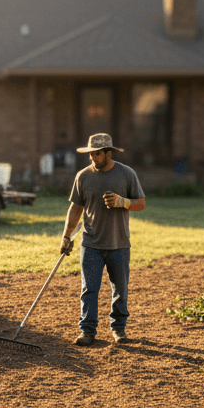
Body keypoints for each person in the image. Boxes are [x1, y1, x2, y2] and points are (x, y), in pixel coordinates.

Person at [59, 133, 146, 346]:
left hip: (119, 244)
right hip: (91, 244)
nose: (93, 158)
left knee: (120, 289)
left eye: (97, 154)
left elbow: (141, 203)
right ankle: (87, 331)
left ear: (108, 153)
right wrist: (66, 236)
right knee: (89, 289)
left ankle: (118, 329)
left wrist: (122, 202)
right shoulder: (83, 176)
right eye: (90, 155)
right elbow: (75, 209)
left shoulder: (127, 174)